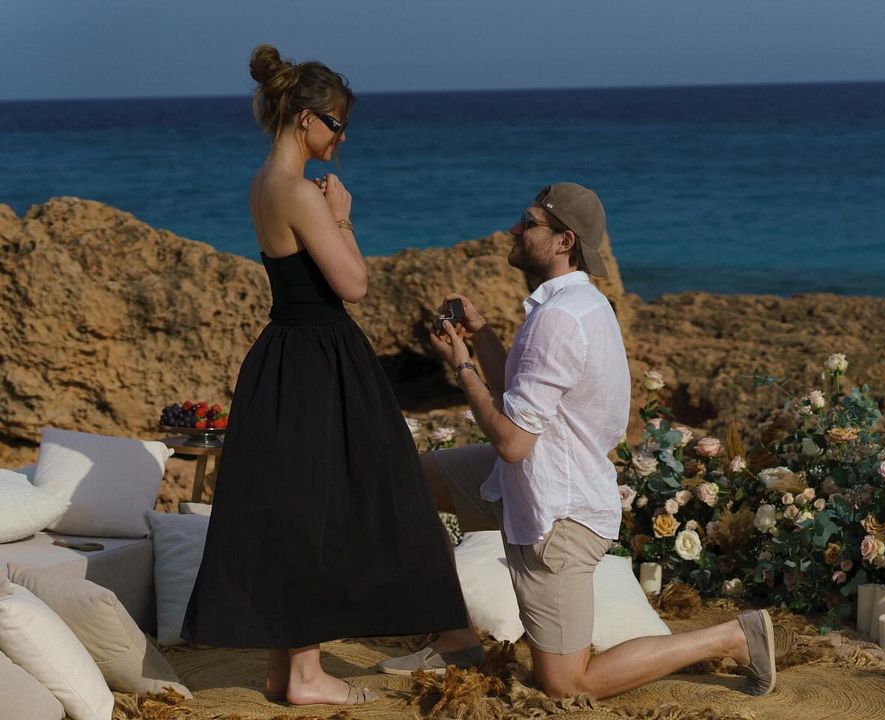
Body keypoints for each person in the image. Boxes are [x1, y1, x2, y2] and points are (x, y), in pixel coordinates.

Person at [377, 182, 777, 699]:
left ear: (564, 240)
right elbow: (519, 395)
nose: (514, 231)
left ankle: (731, 636)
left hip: (555, 512)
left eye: (528, 223)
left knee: (567, 683)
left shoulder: (561, 320)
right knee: (406, 483)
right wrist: (482, 336)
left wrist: (461, 365)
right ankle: (457, 637)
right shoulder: (572, 305)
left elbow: (513, 442)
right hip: (526, 480)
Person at [181, 45, 469, 707]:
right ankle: (307, 675)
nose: (341, 138)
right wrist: (342, 212)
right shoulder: (298, 192)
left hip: (284, 351)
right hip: (319, 356)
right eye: (336, 124)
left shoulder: (263, 183)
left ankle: (288, 669)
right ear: (306, 119)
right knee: (328, 506)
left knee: (295, 504)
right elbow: (354, 284)